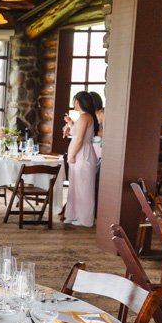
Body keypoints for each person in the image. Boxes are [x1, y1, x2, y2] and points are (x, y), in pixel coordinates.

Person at [65, 91, 100, 227]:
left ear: (78, 102)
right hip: (80, 154)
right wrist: (69, 123)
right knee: (75, 185)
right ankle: (74, 214)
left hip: (82, 155)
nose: (73, 103)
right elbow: (77, 133)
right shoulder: (83, 117)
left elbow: (80, 139)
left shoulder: (85, 117)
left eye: (74, 100)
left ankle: (85, 218)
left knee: (83, 187)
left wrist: (72, 154)